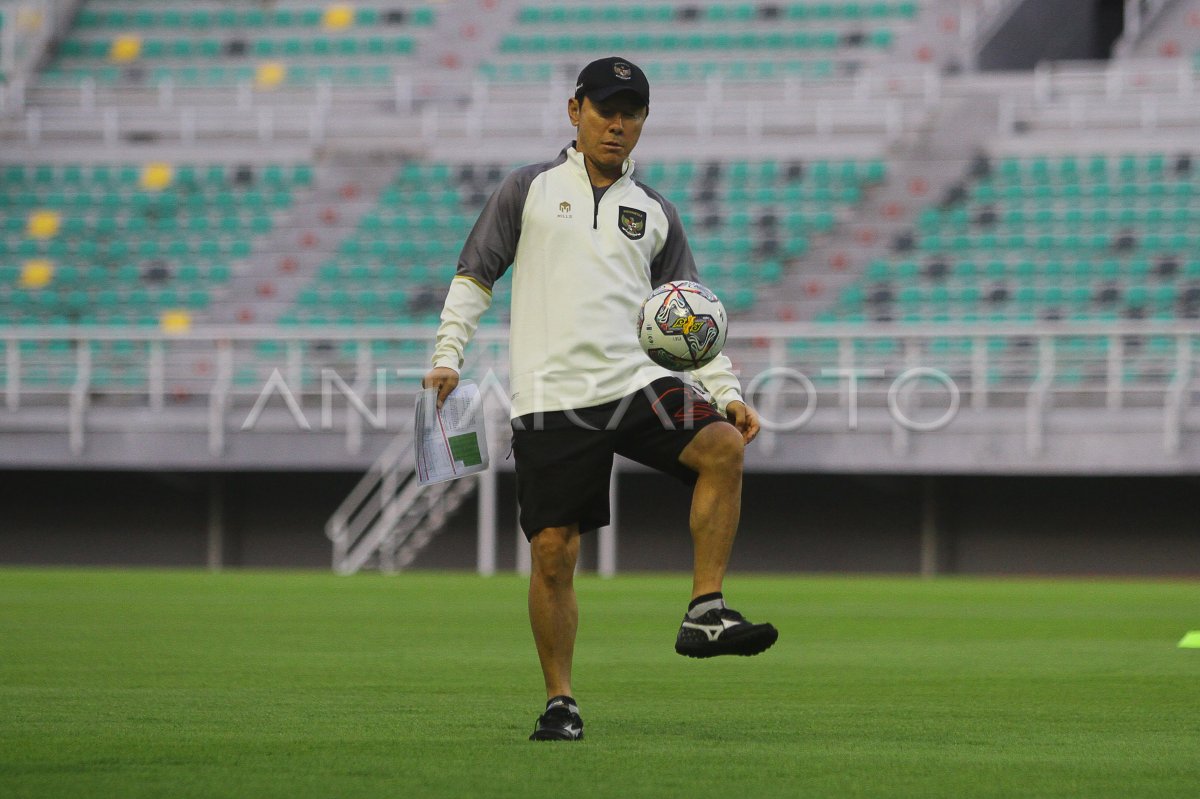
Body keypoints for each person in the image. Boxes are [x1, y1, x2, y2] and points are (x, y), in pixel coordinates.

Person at [422, 56, 777, 742]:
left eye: (632, 113)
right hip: (552, 394)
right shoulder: (527, 188)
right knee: (554, 550)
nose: (618, 125)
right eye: (606, 110)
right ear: (574, 109)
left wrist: (726, 392)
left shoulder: (656, 213)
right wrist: (446, 355)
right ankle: (561, 701)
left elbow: (694, 316)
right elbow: (474, 276)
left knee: (723, 446)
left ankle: (706, 608)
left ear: (644, 122)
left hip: (636, 383)